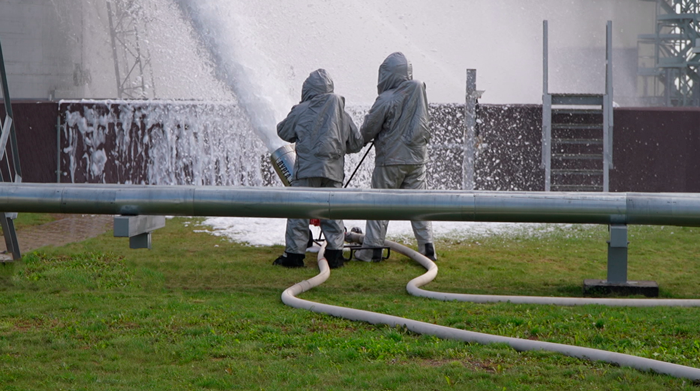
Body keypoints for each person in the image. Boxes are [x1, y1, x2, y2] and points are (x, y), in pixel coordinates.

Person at [273, 68, 364, 269]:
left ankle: (294, 257)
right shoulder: (342, 113)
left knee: (299, 212)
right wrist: (339, 148)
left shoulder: (301, 110)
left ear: (308, 90)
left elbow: (283, 131)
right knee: (331, 212)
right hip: (333, 172)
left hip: (306, 171)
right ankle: (335, 255)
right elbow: (356, 143)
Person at [354, 52, 437, 262]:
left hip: (390, 161)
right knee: (419, 207)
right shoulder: (420, 93)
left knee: (379, 205)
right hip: (417, 161)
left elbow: (368, 129)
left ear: (388, 74)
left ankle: (372, 250)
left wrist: (354, 143)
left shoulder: (387, 98)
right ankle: (427, 249)